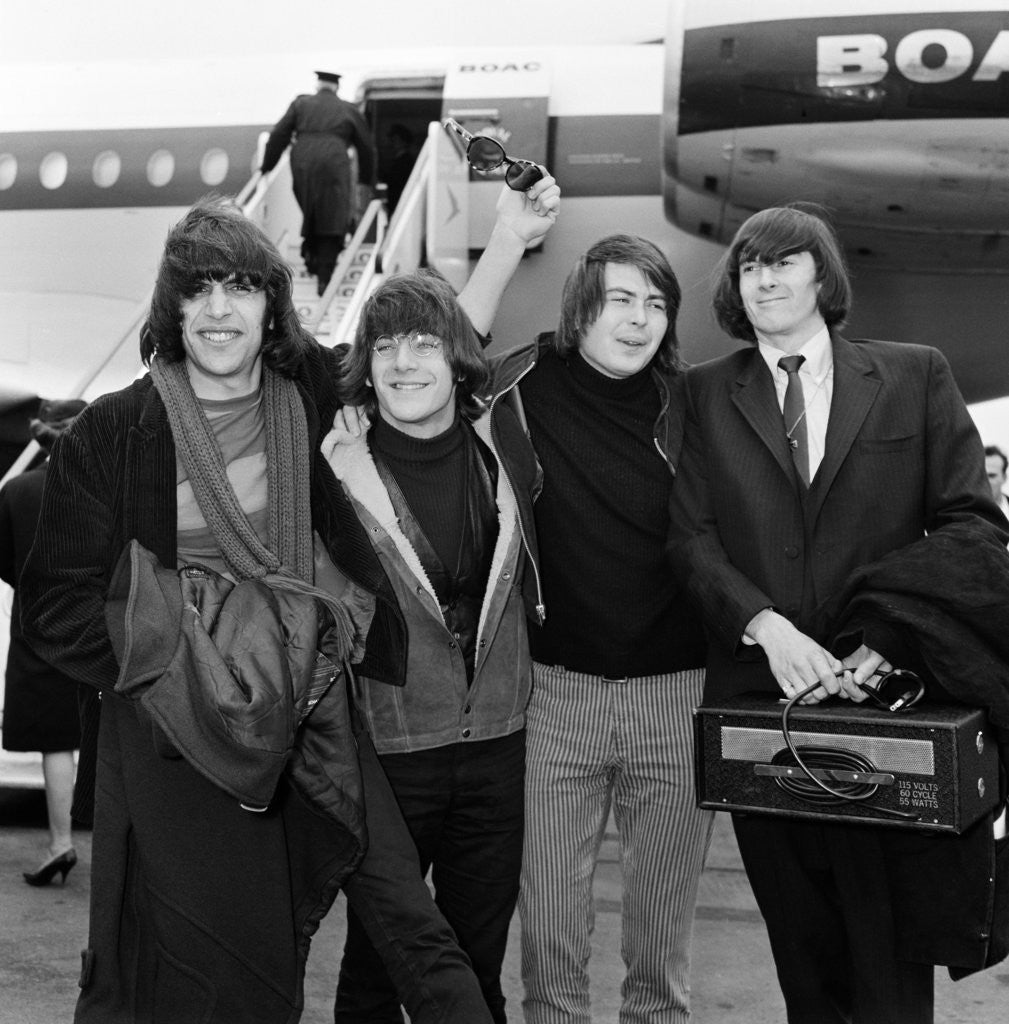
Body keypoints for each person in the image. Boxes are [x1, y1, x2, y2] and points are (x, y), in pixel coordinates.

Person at [19, 196, 495, 1024]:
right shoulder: (113, 432)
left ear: (273, 304)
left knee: (413, 923)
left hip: (312, 705)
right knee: (220, 965)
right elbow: (56, 609)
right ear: (172, 307)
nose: (217, 310)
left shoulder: (306, 394)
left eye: (239, 287)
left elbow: (426, 358)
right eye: (197, 290)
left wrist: (513, 240)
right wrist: (186, 657)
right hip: (180, 729)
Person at [666, 204, 1009, 1023]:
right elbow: (688, 537)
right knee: (802, 958)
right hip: (759, 702)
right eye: (750, 267)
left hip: (889, 703)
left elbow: (970, 525)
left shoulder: (912, 373)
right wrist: (765, 625)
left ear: (822, 278)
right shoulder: (702, 392)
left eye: (784, 262)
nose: (765, 278)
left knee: (892, 959)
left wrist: (887, 636)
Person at [456, 191, 715, 1023]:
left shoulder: (693, 404)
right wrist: (504, 243)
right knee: (552, 935)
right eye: (618, 299)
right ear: (581, 308)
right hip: (556, 691)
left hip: (677, 693)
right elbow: (443, 359)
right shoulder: (522, 386)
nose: (638, 320)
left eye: (655, 303)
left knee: (660, 939)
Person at [323, 172, 559, 1024]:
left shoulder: (501, 441)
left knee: (475, 959)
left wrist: (506, 239)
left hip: (495, 749)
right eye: (384, 347)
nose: (403, 362)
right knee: (380, 965)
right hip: (388, 754)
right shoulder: (335, 467)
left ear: (454, 357)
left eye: (423, 344)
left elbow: (472, 323)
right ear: (366, 364)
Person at [1, 398, 86, 886]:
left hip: (39, 626)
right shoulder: (104, 491)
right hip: (99, 625)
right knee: (111, 735)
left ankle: (60, 841)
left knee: (55, 742)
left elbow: (3, 560)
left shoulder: (19, 490)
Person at [261, 70, 376, 296]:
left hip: (302, 160)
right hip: (334, 161)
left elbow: (279, 135)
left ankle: (311, 257)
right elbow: (366, 148)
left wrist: (267, 165)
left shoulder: (301, 104)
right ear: (336, 88)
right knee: (333, 216)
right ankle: (324, 276)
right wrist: (366, 181)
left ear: (318, 85)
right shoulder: (348, 109)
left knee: (312, 210)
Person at [985, 445, 1009, 515]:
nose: (986, 481)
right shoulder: (963, 512)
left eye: (992, 476)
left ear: (1004, 478)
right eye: (982, 476)